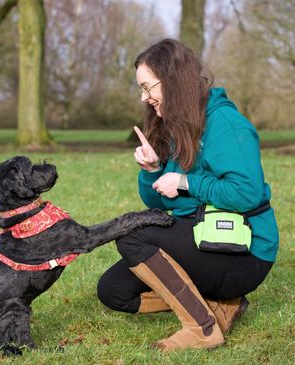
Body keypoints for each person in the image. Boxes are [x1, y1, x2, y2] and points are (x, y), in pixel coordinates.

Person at [97, 38, 279, 351]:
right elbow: (157, 202)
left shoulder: (225, 124)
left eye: (147, 87)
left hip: (246, 251)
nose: (144, 98)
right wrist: (153, 171)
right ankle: (221, 305)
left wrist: (186, 183)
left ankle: (202, 327)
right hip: (199, 236)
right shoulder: (181, 126)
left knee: (132, 234)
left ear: (171, 80)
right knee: (113, 291)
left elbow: (246, 193)